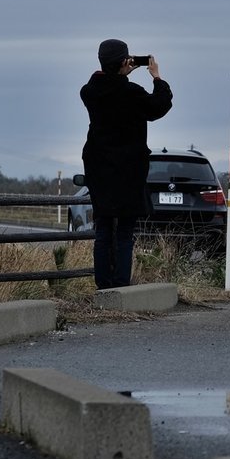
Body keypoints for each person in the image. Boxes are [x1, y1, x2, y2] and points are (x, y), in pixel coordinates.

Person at [80, 39, 173, 290]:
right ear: (124, 61)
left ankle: (103, 285)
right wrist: (156, 77)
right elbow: (159, 106)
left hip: (99, 168)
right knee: (124, 233)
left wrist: (118, 71)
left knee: (103, 230)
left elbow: (98, 83)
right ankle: (121, 286)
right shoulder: (132, 93)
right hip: (129, 170)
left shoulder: (89, 92)